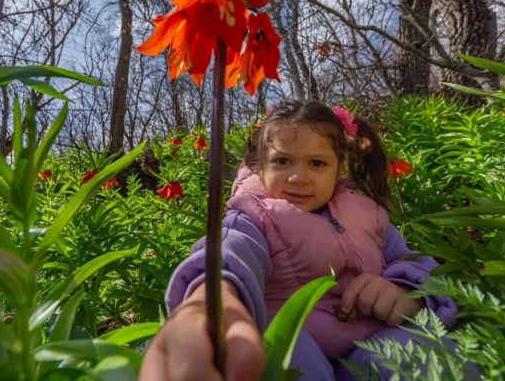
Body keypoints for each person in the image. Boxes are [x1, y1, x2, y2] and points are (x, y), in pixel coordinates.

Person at [140, 100, 461, 381]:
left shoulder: (367, 213)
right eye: (282, 161)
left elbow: (414, 263)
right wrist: (208, 299)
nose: (298, 177)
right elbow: (231, 250)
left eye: (317, 163)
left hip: (371, 347)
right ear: (260, 167)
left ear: (339, 169)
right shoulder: (253, 215)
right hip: (305, 353)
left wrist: (405, 292)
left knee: (434, 354)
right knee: (278, 345)